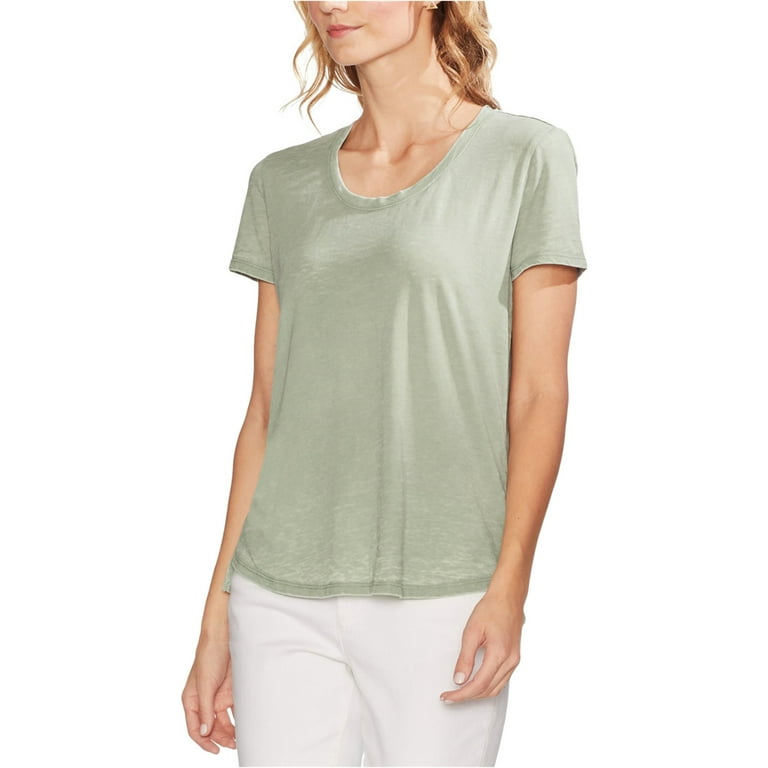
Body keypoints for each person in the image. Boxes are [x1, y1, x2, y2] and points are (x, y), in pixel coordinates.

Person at [181, 1, 588, 765]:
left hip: (441, 590)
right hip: (277, 592)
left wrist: (509, 586)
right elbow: (267, 409)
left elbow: (539, 395)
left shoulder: (525, 157)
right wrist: (217, 612)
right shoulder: (281, 182)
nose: (331, 4)